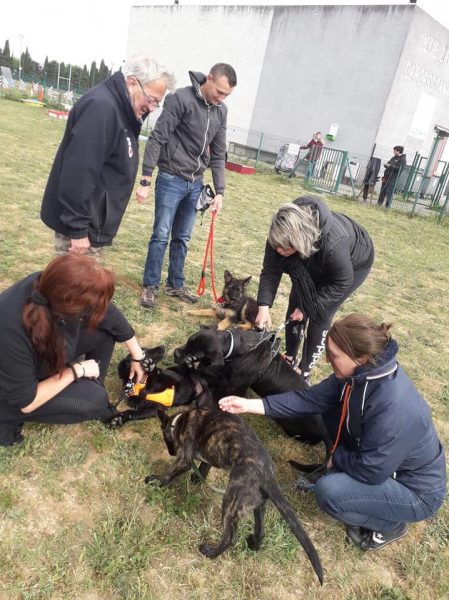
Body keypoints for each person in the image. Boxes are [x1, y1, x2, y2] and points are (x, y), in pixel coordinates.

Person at [219, 313, 447, 551]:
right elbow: (309, 399)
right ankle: (350, 480)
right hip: (381, 465)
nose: (327, 360)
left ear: (361, 358)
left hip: (416, 492)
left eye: (334, 355)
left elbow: (371, 471)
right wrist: (250, 405)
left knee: (330, 492)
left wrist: (336, 459)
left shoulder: (392, 406)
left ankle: (390, 524)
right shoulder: (360, 376)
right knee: (327, 411)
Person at [0, 254, 147, 446]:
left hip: (41, 359)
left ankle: (89, 386)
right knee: (95, 399)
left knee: (104, 333)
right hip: (14, 393)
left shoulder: (53, 285)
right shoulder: (10, 330)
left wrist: (137, 356)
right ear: (70, 307)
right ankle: (89, 393)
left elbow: (107, 313)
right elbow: (27, 402)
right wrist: (77, 371)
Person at [40, 57, 175, 257]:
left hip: (93, 223)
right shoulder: (102, 109)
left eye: (157, 103)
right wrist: (77, 230)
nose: (153, 108)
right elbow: (80, 171)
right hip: (81, 229)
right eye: (152, 99)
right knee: (72, 287)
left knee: (81, 287)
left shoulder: (123, 111)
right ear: (132, 82)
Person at [136, 63, 237, 309]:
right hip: (171, 178)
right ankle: (150, 285)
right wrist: (146, 179)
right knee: (161, 234)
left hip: (196, 184)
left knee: (182, 237)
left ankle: (175, 284)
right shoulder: (180, 99)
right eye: (220, 92)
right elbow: (158, 137)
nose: (221, 98)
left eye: (226, 96)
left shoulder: (221, 112)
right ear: (209, 79)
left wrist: (220, 191)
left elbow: (219, 153)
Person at [256, 195, 374, 382]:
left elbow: (341, 281)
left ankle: (304, 371)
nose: (278, 250)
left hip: (352, 264)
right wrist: (263, 308)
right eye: (276, 246)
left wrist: (308, 308)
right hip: (310, 256)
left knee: (320, 312)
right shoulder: (280, 232)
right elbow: (270, 271)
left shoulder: (334, 244)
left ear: (298, 240)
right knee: (297, 300)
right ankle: (290, 356)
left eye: (283, 248)